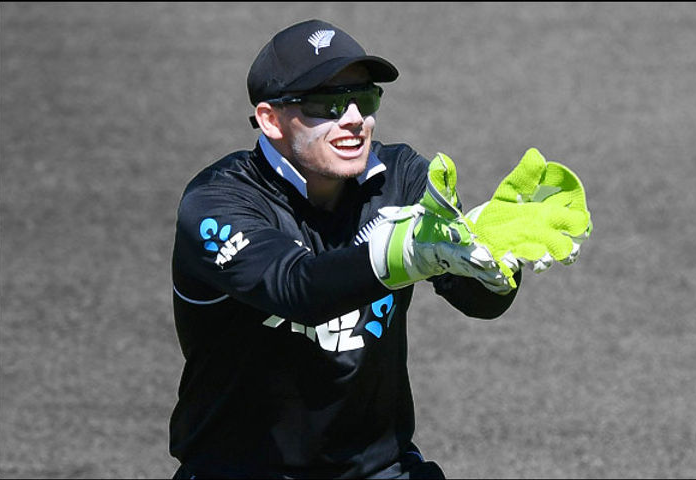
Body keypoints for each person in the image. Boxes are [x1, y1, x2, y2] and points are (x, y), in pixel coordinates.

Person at [169, 19, 532, 479]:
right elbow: (297, 289)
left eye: (364, 98)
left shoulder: (402, 178)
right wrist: (404, 253)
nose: (355, 119)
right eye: (328, 104)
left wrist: (496, 266)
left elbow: (478, 301)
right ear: (270, 119)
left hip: (378, 469)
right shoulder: (218, 203)